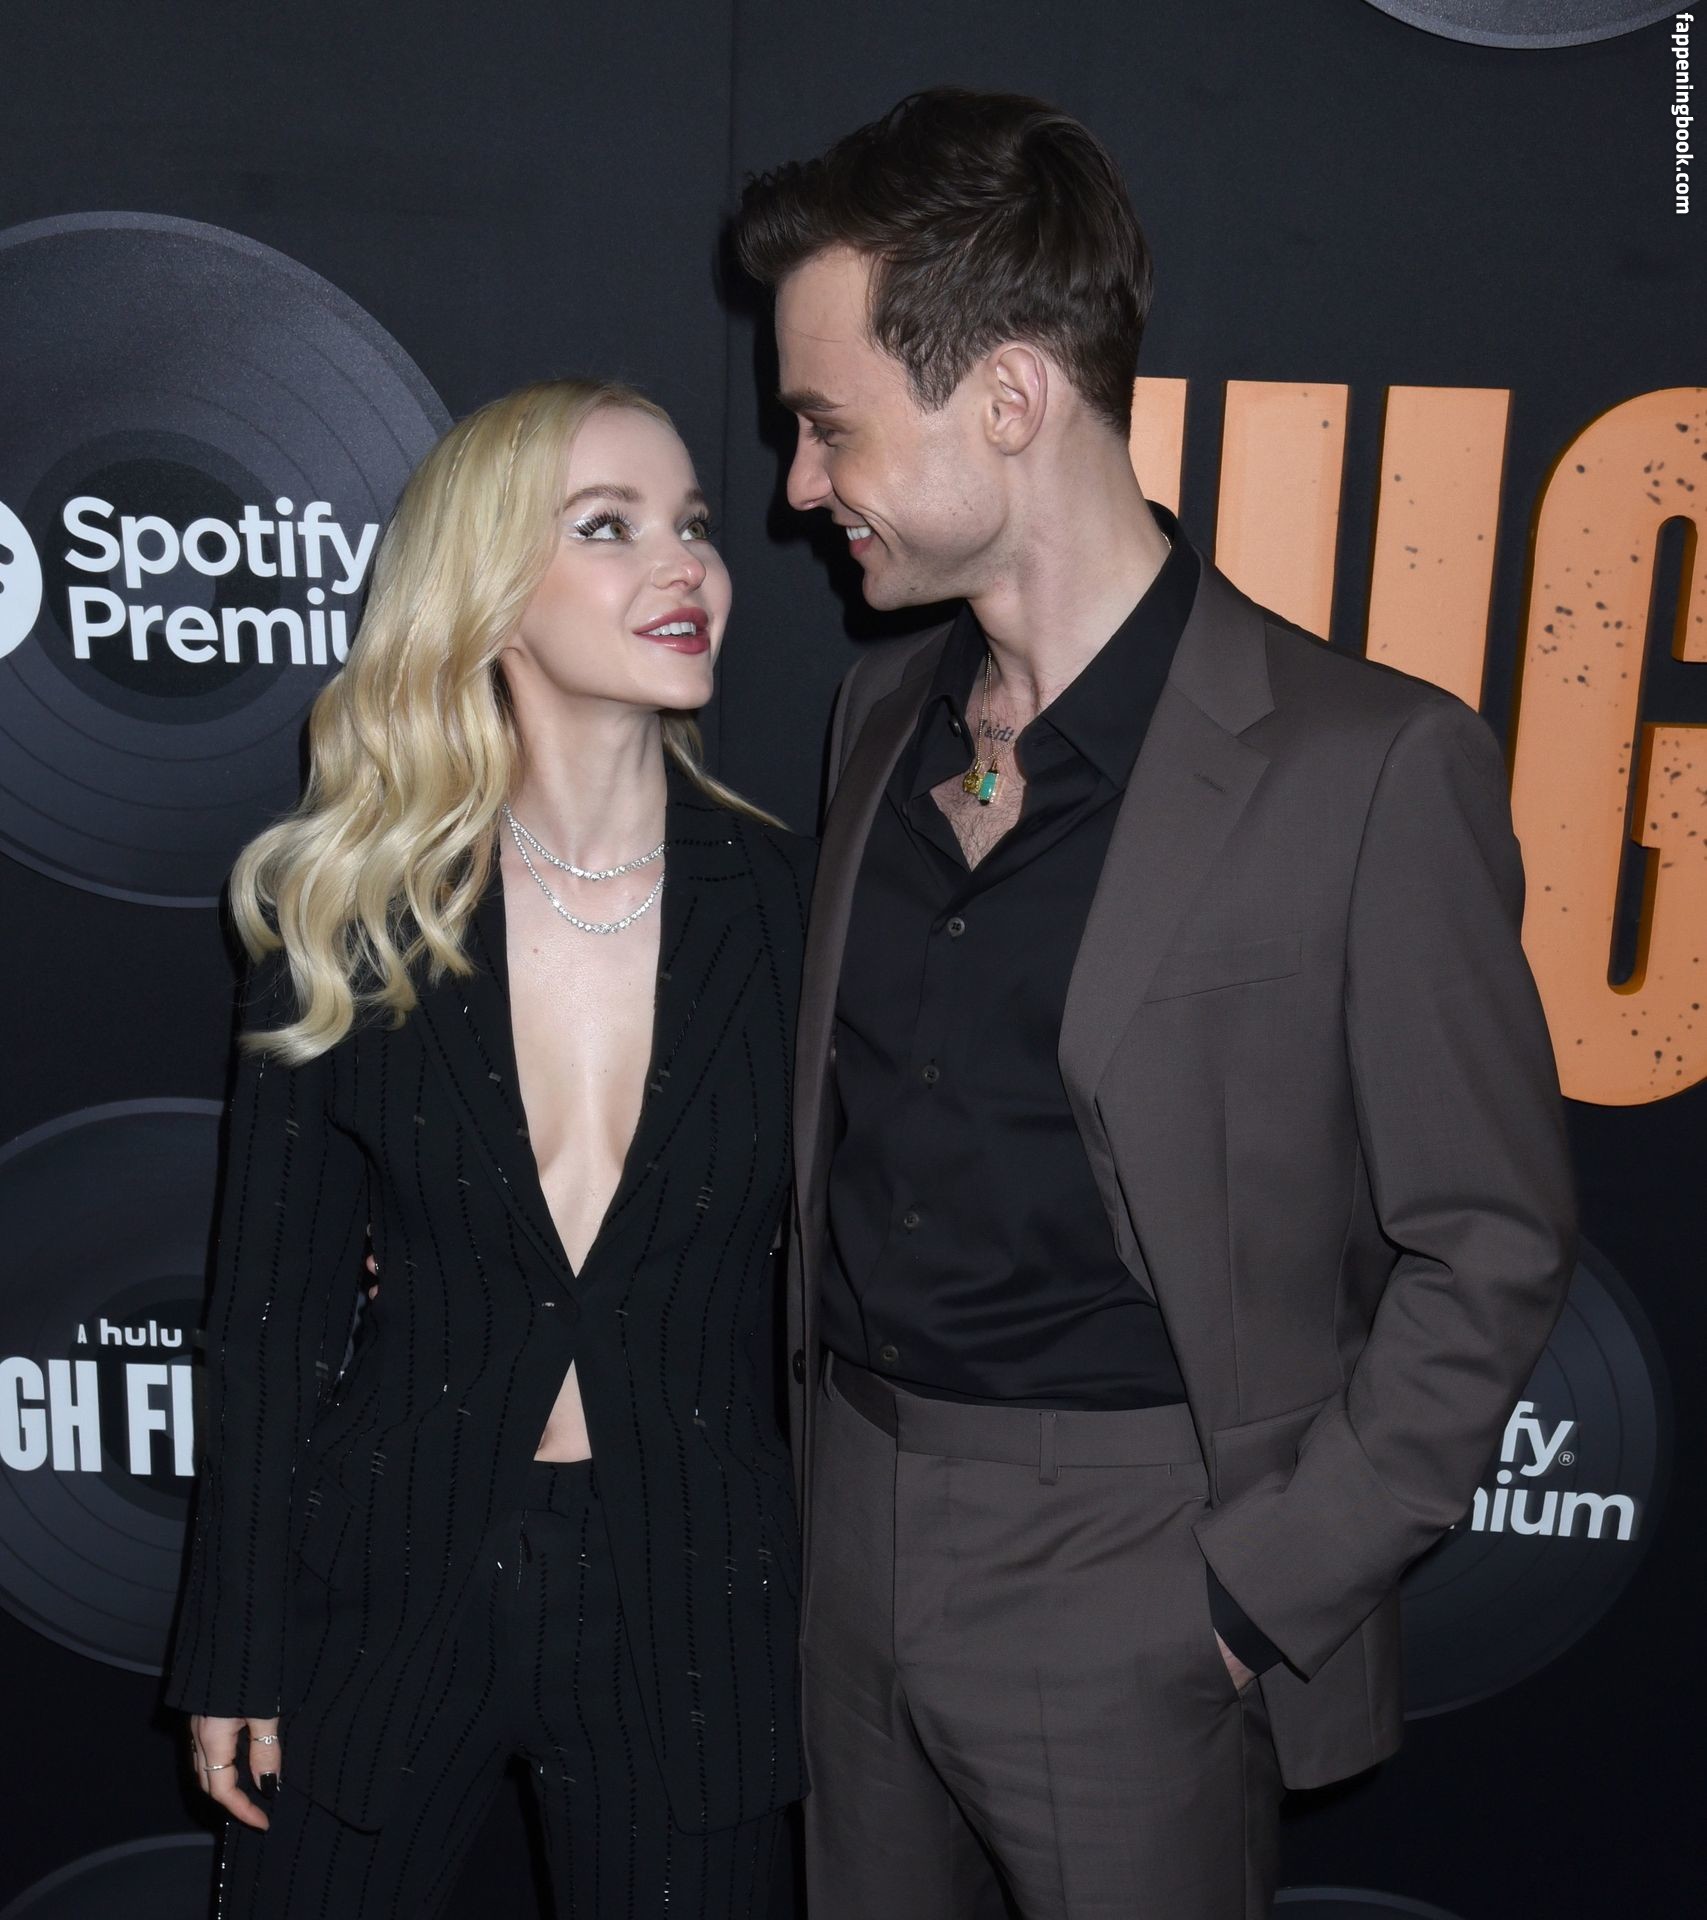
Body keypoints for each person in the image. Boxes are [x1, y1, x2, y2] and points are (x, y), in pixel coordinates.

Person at [735, 89, 1577, 1920]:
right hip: (845, 1531)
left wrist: (1249, 1594)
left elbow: (1492, 1244)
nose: (796, 485)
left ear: (1010, 399)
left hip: (1139, 1566)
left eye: (829, 425)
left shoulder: (1368, 768)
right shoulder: (879, 715)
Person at [165, 378, 811, 1918]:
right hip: (389, 1582)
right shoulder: (353, 910)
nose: (686, 564)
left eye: (692, 525)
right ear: (492, 591)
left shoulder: (801, 907)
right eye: (609, 527)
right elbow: (269, 1320)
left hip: (696, 1600)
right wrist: (234, 1639)